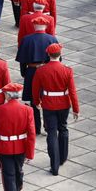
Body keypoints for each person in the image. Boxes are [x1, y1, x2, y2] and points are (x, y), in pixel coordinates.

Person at [31, 43, 79, 176]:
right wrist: (76, 108)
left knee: (51, 133)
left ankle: (54, 164)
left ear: (48, 54)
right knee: (63, 128)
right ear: (60, 54)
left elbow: (35, 89)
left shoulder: (41, 70)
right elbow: (72, 91)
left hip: (48, 104)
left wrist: (37, 102)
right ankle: (63, 157)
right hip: (64, 103)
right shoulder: (67, 70)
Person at [0, 82, 35, 191]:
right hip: (21, 147)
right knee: (17, 171)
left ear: (7, 95)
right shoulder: (28, 110)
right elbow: (31, 134)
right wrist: (30, 153)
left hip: (4, 148)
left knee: (8, 175)